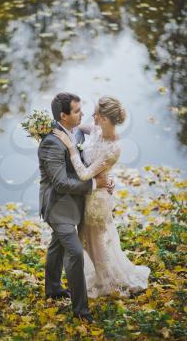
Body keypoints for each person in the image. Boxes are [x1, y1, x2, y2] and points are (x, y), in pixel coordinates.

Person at [53, 96, 151, 298]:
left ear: (105, 118)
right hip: (92, 191)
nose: (92, 115)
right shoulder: (97, 129)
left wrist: (71, 148)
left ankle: (108, 282)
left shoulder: (113, 149)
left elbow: (84, 174)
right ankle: (102, 277)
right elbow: (81, 129)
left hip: (96, 199)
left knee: (95, 241)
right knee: (89, 240)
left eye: (96, 113)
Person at [38, 93, 113, 322]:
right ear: (63, 115)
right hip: (58, 207)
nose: (82, 114)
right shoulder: (51, 142)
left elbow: (89, 156)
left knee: (56, 246)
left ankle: (52, 288)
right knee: (75, 253)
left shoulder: (76, 131)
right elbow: (60, 182)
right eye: (77, 111)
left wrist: (104, 177)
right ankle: (81, 309)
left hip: (75, 203)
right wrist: (93, 184)